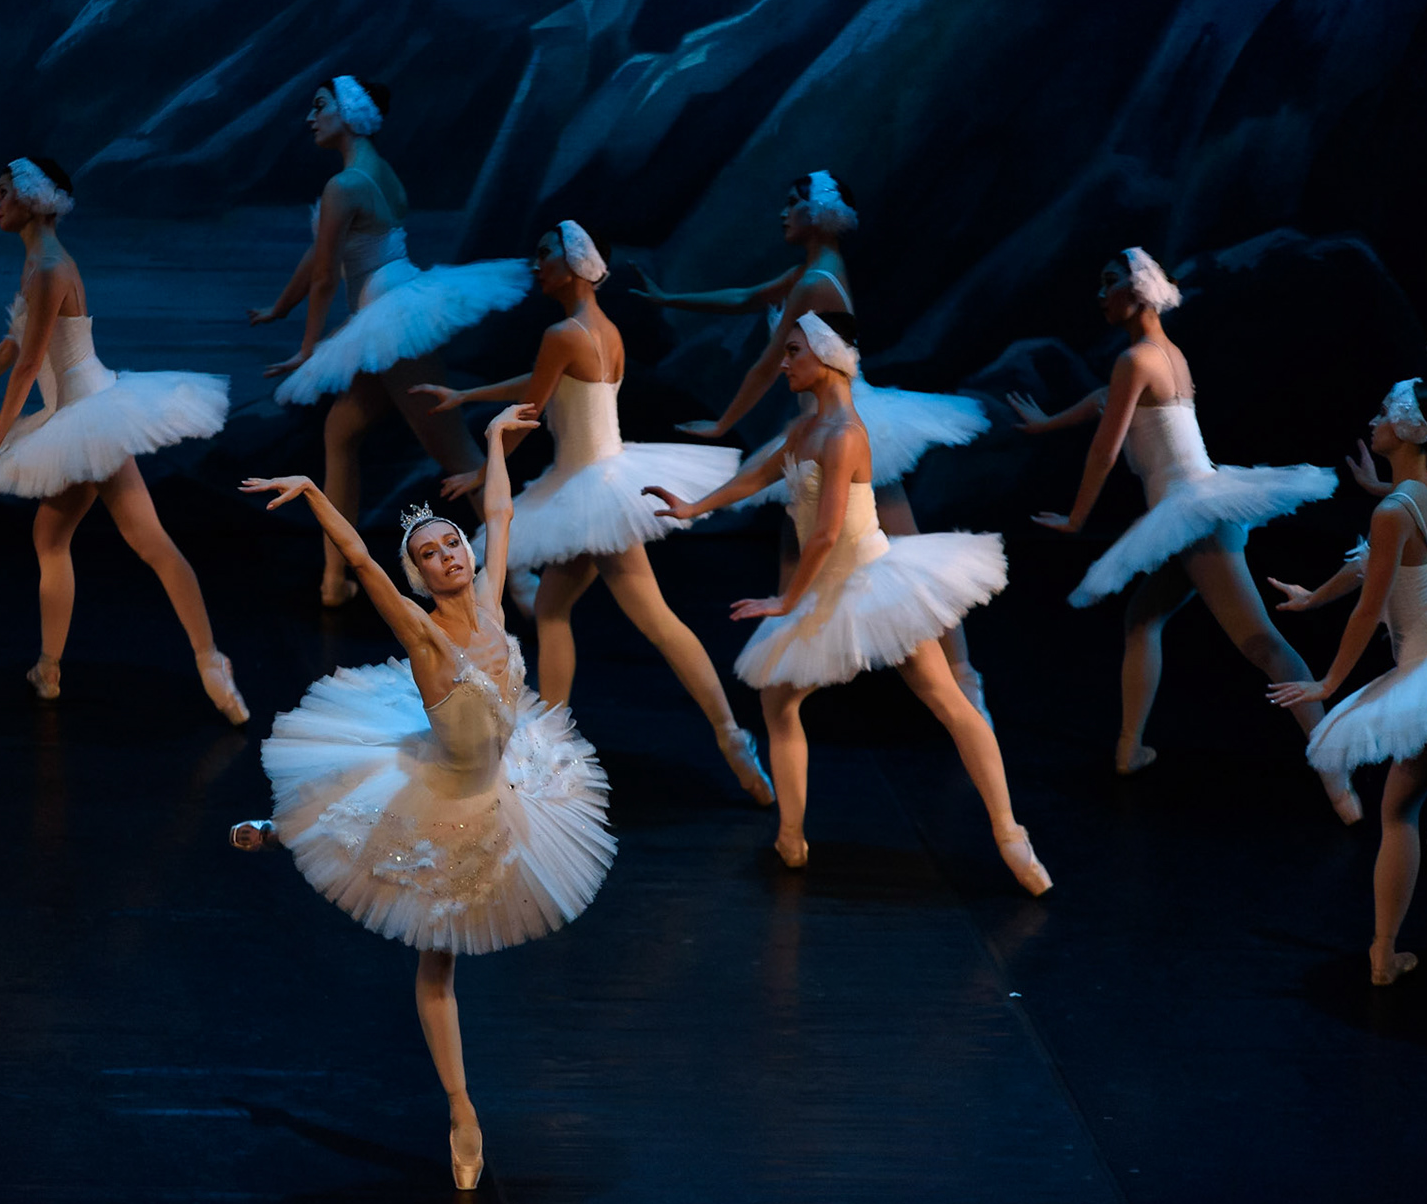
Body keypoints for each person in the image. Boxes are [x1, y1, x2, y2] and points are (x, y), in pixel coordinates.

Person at [230, 403, 614, 1190]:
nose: (447, 557)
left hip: (508, 774)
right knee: (435, 965)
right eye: (430, 555)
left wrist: (501, 443)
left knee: (376, 825)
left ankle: (290, 826)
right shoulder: (422, 633)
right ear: (420, 576)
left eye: (450, 544)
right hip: (450, 795)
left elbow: (499, 514)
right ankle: (461, 1111)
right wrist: (311, 491)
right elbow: (365, 567)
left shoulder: (495, 594)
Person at [646, 311, 1049, 893]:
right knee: (779, 701)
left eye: (792, 352)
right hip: (830, 586)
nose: (782, 363)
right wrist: (693, 507)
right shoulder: (804, 428)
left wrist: (786, 599)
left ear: (827, 356)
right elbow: (758, 476)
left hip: (871, 581)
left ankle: (1012, 835)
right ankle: (790, 835)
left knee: (945, 699)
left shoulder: (844, 434)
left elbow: (829, 534)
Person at [410, 221, 774, 804]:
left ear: (575, 264)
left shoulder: (563, 332)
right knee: (552, 610)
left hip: (591, 491)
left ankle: (732, 738)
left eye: (544, 255)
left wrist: (484, 470)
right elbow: (542, 385)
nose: (536, 266)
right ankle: (552, 746)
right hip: (595, 483)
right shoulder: (600, 329)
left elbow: (531, 408)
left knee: (654, 620)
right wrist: (465, 396)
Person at [632, 171, 994, 719]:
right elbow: (748, 297)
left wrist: (721, 422)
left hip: (846, 423)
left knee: (903, 548)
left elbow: (764, 363)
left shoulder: (815, 280)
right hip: (817, 426)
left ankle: (961, 679)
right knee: (796, 545)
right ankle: (790, 676)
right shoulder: (808, 273)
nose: (783, 213)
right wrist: (670, 297)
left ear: (819, 215)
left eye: (794, 203)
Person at [0, 157, 246, 721]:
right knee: (101, 542)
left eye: (3, 192)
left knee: (107, 543)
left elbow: (29, 362)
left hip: (87, 415)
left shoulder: (48, 268)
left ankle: (186, 661)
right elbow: (12, 347)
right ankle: (80, 667)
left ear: (33, 201)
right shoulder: (39, 264)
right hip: (83, 414)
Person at [1009, 248, 1349, 817]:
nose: (1100, 295)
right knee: (1142, 619)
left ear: (1138, 291)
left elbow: (1106, 448)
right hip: (1189, 509)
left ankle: (1336, 776)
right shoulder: (1165, 354)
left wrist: (1076, 518)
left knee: (1261, 643)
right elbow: (1105, 405)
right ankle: (1128, 749)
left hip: (1190, 514)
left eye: (1108, 282)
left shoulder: (1135, 360)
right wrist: (1049, 422)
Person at [249, 75, 530, 606]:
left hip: (392, 318)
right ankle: (336, 577)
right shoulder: (369, 174)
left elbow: (330, 274)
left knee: (457, 453)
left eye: (319, 106)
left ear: (348, 113)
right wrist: (281, 307)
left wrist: (309, 347)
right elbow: (322, 254)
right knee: (341, 433)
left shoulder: (347, 185)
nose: (311, 118)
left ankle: (519, 576)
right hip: (384, 312)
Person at [1269, 378, 1427, 984]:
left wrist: (1329, 684)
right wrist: (1315, 598)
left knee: (1399, 813)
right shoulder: (1411, 498)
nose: (1374, 420)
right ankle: (1384, 953)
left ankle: (1384, 955)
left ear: (1412, 428)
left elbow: (1372, 604)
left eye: (1386, 413)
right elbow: (1375, 562)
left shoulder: (1395, 509)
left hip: (1426, 676)